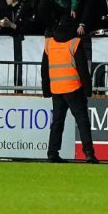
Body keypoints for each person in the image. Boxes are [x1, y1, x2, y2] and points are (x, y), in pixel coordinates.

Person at [41, 17, 99, 164]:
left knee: (57, 122)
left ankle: (52, 152)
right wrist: (88, 89)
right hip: (74, 88)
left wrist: (46, 90)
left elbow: (44, 69)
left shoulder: (49, 43)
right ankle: (88, 153)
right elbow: (83, 69)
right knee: (82, 121)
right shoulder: (75, 43)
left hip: (56, 89)